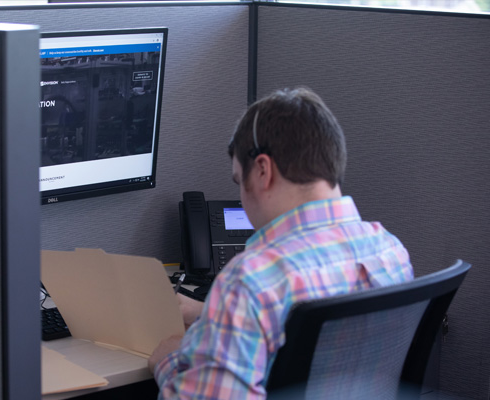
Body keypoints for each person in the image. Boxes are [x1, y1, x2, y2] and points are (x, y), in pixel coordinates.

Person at [148, 87, 414, 399]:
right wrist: (212, 314)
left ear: (262, 170)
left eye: (239, 182)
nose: (242, 199)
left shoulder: (253, 279)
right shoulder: (390, 250)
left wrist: (166, 361)